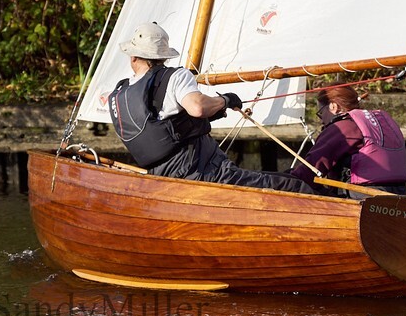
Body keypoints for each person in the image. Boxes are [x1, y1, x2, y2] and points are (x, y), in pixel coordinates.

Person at [109, 22, 313, 194]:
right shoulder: (175, 77)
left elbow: (162, 127)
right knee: (293, 186)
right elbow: (197, 107)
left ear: (133, 56)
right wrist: (225, 100)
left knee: (279, 178)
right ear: (163, 57)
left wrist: (207, 117)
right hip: (205, 174)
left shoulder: (121, 94)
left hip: (163, 181)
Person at [290, 86, 406, 197]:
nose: (321, 121)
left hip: (362, 196)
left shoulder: (343, 127)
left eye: (321, 113)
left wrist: (283, 181)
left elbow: (309, 170)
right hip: (399, 193)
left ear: (333, 107)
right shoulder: (380, 121)